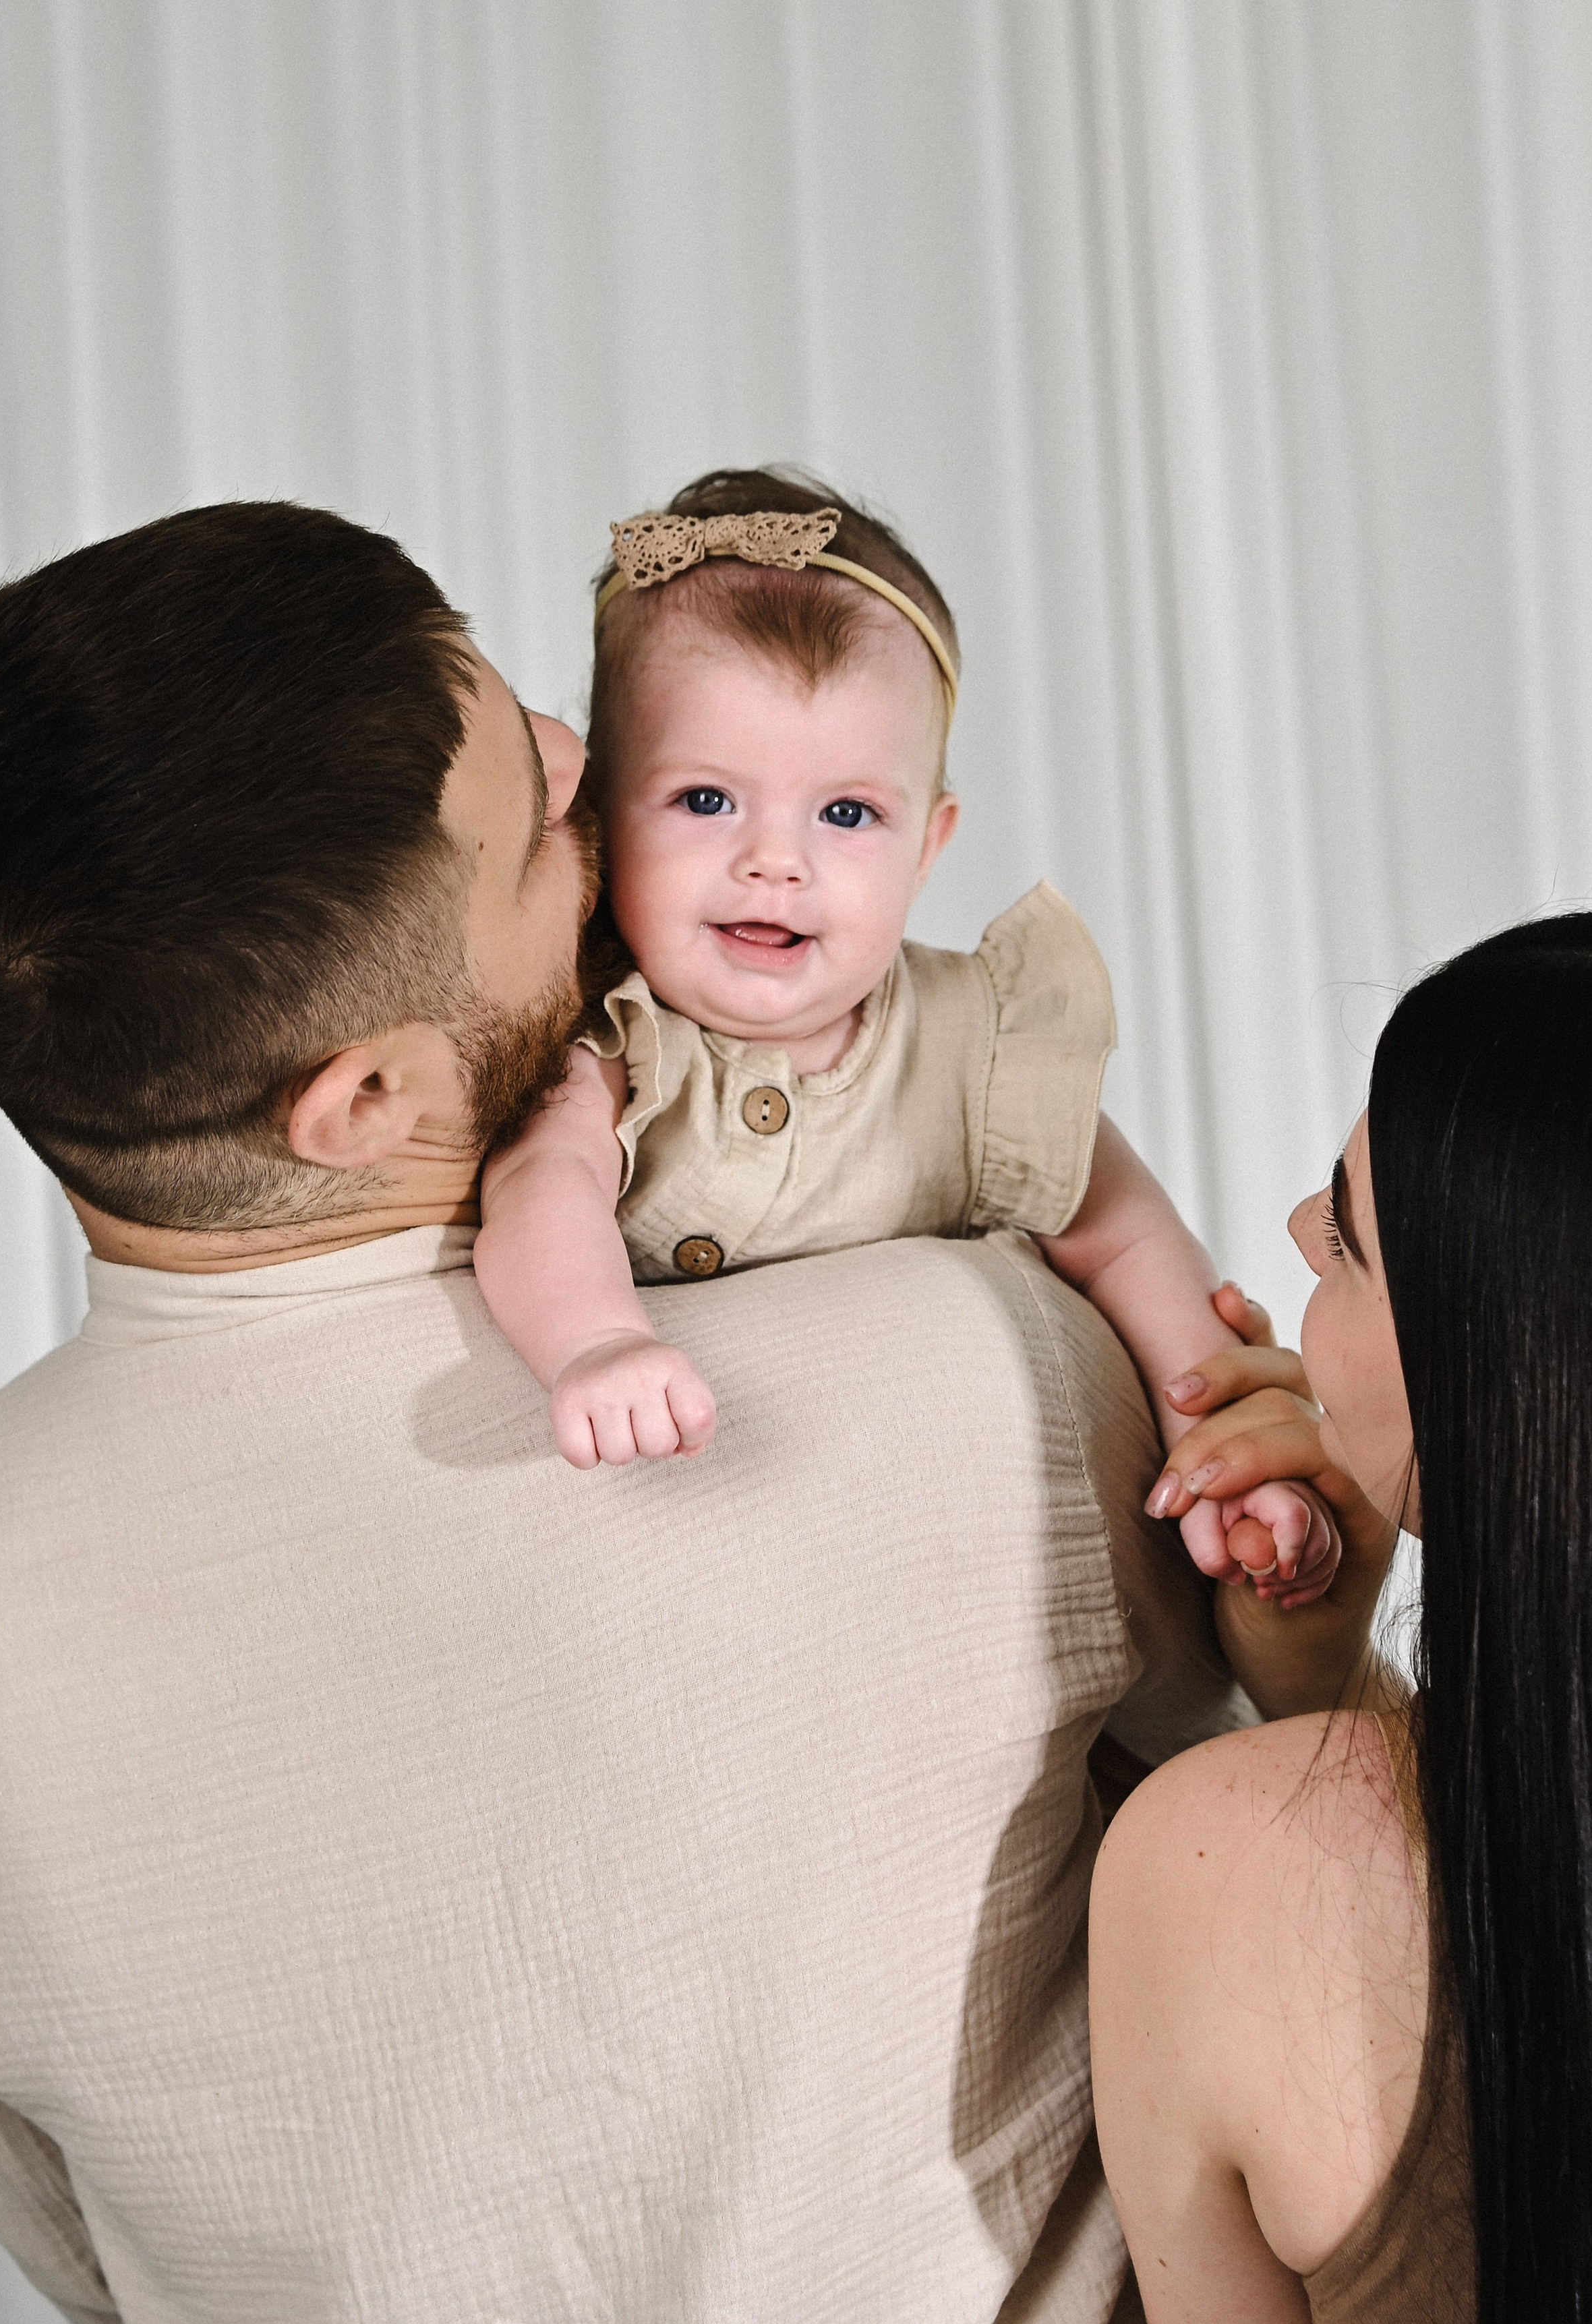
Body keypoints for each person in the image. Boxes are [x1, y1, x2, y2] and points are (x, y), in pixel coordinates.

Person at [0, 499, 1375, 2324]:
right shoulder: (965, 1379)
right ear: (362, 1097)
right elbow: (1338, 1943)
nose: (588, 753)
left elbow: (106, 2279)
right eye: (545, 813)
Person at [1092, 908, 1592, 2324]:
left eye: (1349, 1241)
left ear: (1503, 1380)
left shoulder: (1216, 1867)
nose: (1293, 1227)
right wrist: (1331, 1687)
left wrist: (1317, 1726)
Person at [473, 466, 1335, 1605]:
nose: (775, 862)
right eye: (705, 801)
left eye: (846, 815)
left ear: (929, 847)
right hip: (698, 1556)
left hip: (941, 1559)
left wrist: (1218, 1441)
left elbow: (1124, 1235)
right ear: (601, 812)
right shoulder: (615, 1047)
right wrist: (594, 1345)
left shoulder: (976, 1046)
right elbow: (542, 1192)